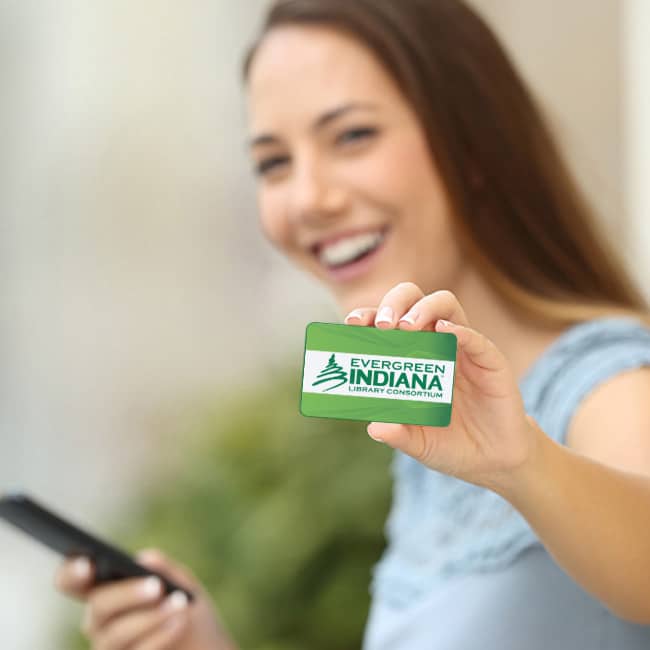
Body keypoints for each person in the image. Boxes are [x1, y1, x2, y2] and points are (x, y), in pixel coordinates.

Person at [55, 1, 650, 648]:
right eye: (273, 162)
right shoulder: (431, 414)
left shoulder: (608, 382)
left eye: (352, 136)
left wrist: (525, 463)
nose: (309, 198)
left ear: (473, 144)